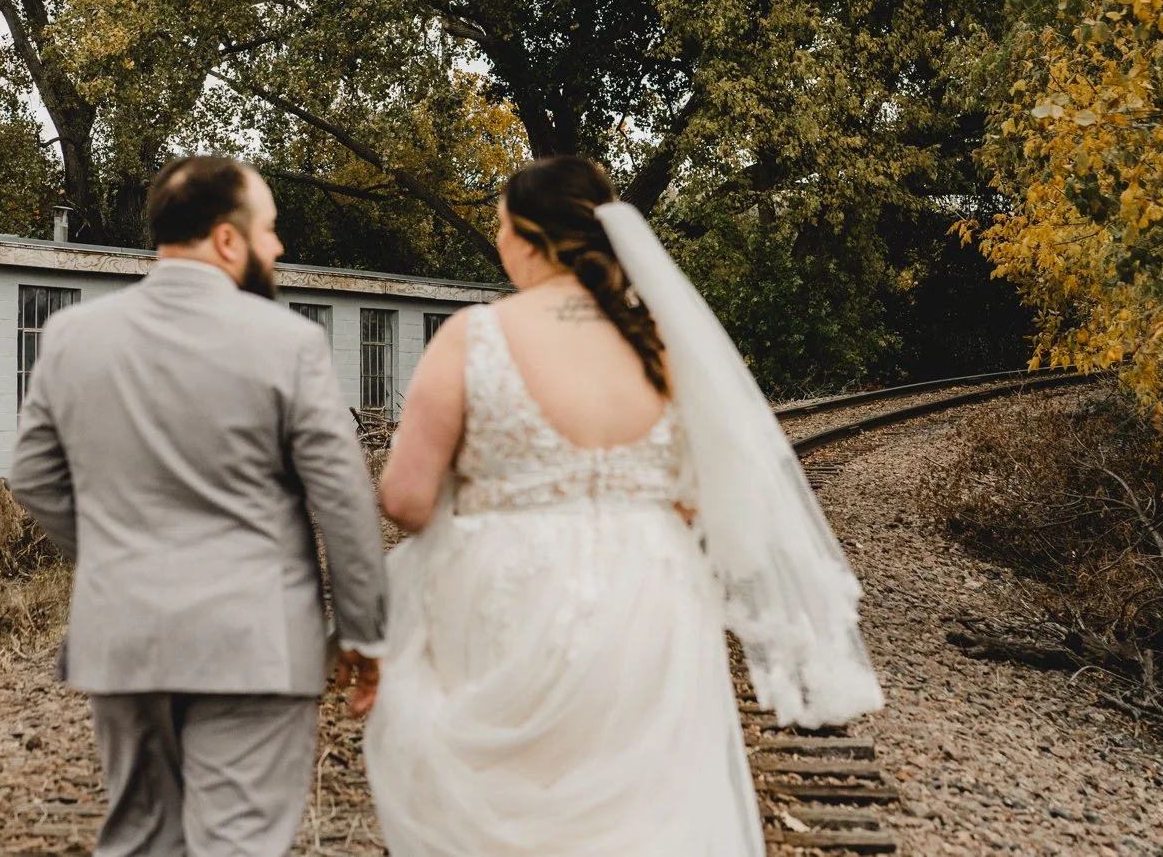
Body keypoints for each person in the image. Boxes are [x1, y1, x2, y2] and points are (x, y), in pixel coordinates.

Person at [364, 156, 883, 857]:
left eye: (500, 226)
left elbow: (405, 497)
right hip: (652, 593)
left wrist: (493, 494)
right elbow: (709, 496)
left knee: (516, 809)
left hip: (509, 595)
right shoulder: (662, 339)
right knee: (643, 814)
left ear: (527, 236)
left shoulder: (474, 334)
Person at [10, 155, 388, 857]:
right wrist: (363, 629)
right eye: (269, 229)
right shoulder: (289, 342)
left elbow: (32, 475)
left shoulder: (71, 336)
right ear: (225, 239)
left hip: (123, 633)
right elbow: (342, 495)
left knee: (141, 839)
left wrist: (116, 559)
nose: (277, 247)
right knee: (238, 841)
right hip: (253, 641)